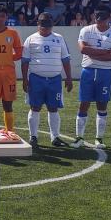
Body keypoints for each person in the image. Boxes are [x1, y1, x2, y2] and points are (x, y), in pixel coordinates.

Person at [22, 13, 73, 147]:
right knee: (35, 107)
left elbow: (65, 59)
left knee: (53, 107)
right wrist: (24, 80)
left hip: (55, 79)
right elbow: (25, 61)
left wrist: (69, 78)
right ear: (38, 25)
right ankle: (33, 137)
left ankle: (55, 137)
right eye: (43, 26)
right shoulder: (30, 39)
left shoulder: (59, 38)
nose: (46, 29)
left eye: (48, 27)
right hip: (36, 79)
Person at [76, 7, 111, 148]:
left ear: (109, 20)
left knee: (102, 104)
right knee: (84, 103)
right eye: (97, 20)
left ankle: (99, 138)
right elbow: (83, 49)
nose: (99, 23)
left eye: (102, 21)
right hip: (88, 70)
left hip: (105, 72)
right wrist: (104, 52)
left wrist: (93, 52)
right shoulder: (87, 30)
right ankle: (79, 137)